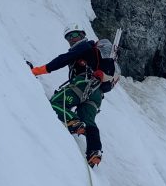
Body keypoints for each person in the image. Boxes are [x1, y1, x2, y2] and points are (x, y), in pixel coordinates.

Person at [27, 24, 117, 168]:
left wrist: (36, 71)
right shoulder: (96, 53)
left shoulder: (85, 46)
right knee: (88, 121)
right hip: (96, 94)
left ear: (82, 35)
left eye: (75, 35)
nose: (72, 39)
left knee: (56, 103)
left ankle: (73, 122)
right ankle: (94, 151)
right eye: (69, 37)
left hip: (82, 84)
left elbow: (62, 60)